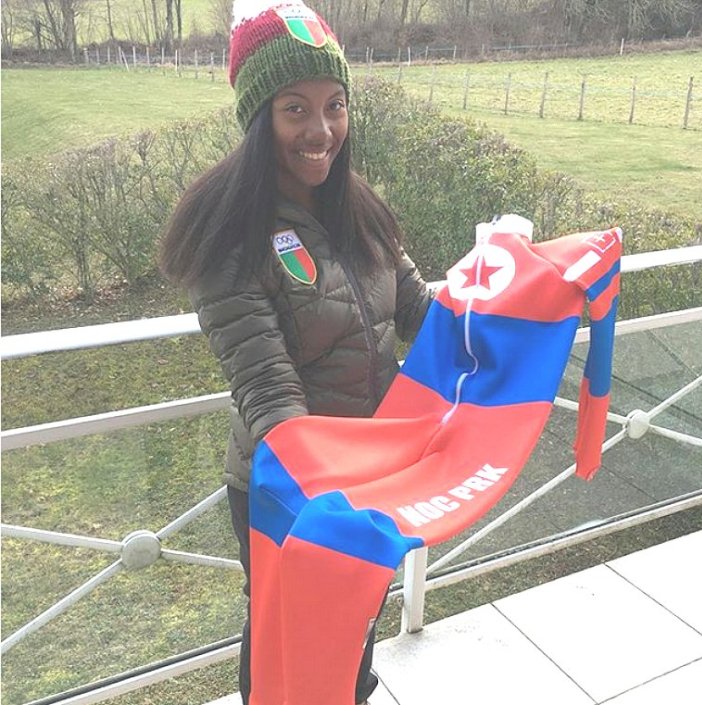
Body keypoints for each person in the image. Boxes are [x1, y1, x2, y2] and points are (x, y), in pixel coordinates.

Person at [159, 0, 433, 702]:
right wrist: (327, 490)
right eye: (295, 110)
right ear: (259, 119)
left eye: (335, 105)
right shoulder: (230, 234)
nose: (322, 130)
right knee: (287, 636)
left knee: (355, 618)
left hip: (371, 474)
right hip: (288, 486)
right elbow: (267, 388)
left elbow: (421, 313)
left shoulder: (357, 207)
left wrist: (515, 294)